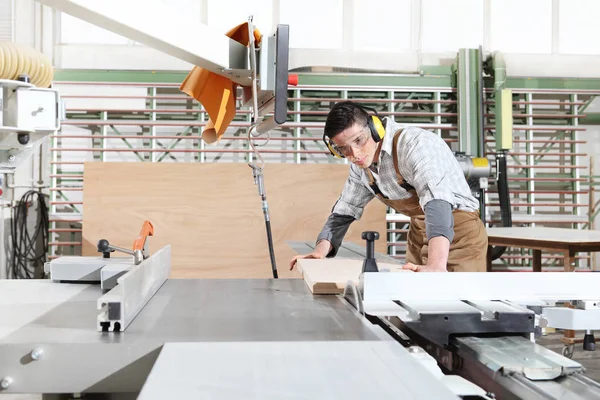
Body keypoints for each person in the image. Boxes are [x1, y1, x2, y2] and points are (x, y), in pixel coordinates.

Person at [289, 101, 488, 272]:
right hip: (420, 232)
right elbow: (344, 211)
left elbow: (437, 202)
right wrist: (320, 251)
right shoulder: (361, 167)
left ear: (375, 129)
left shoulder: (415, 144)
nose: (355, 154)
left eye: (359, 141)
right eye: (344, 149)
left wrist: (436, 265)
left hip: (460, 236)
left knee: (455, 306)